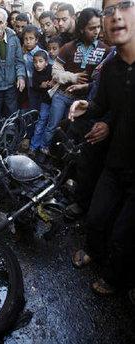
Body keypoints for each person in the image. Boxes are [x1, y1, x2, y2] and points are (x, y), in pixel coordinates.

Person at [70, 0, 135, 295]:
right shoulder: (111, 68)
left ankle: (115, 279)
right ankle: (94, 252)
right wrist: (89, 107)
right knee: (96, 218)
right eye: (109, 10)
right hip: (115, 161)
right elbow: (105, 105)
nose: (116, 15)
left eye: (126, 5)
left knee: (123, 235)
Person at [41, 7, 109, 155]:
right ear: (82, 28)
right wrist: (73, 77)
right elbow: (55, 72)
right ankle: (45, 154)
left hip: (82, 102)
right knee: (53, 126)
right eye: (92, 28)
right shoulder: (68, 47)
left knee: (69, 132)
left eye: (98, 27)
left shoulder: (106, 50)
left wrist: (87, 86)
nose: (96, 31)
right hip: (62, 95)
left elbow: (104, 82)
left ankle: (63, 160)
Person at [28, 50, 53, 155]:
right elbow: (35, 85)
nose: (37, 64)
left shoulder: (52, 69)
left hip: (56, 100)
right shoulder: (35, 73)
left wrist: (52, 82)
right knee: (41, 121)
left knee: (52, 124)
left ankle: (45, 147)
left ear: (46, 62)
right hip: (45, 101)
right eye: (35, 62)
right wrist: (41, 86)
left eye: (40, 61)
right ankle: (34, 147)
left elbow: (58, 78)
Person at [22, 24, 43, 110]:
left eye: (31, 38)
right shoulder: (23, 54)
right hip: (30, 87)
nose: (28, 41)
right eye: (26, 39)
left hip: (41, 87)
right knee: (32, 108)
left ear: (36, 40)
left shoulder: (42, 54)